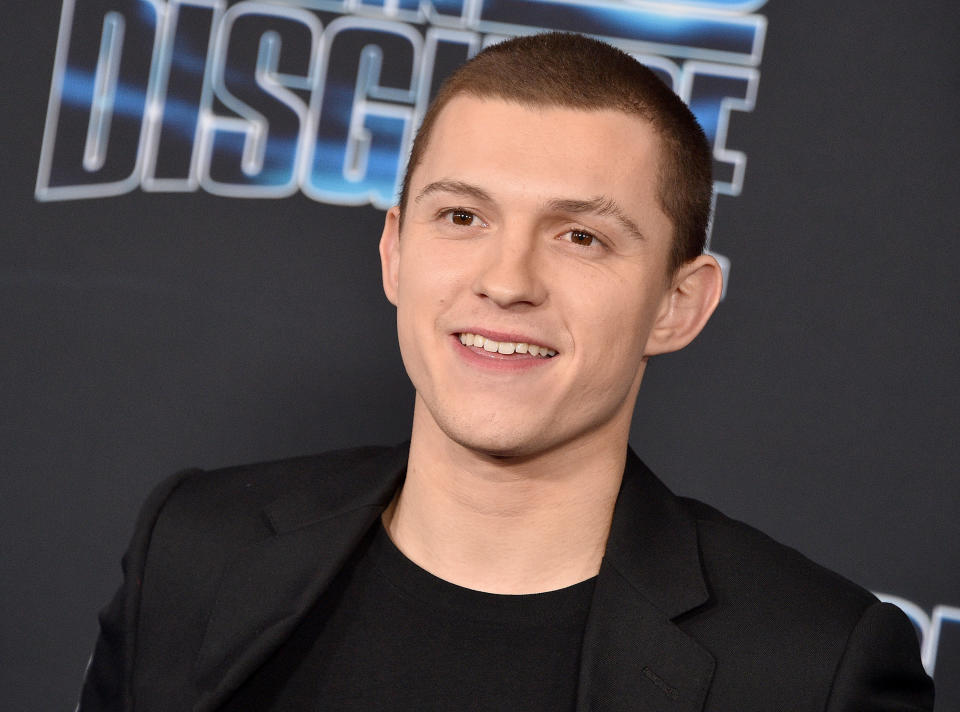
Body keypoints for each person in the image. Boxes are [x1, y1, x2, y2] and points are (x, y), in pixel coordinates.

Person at [78, 32, 933, 711]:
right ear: (395, 252)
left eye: (581, 237)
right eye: (461, 215)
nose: (507, 281)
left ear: (679, 304)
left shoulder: (811, 668)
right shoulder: (194, 547)